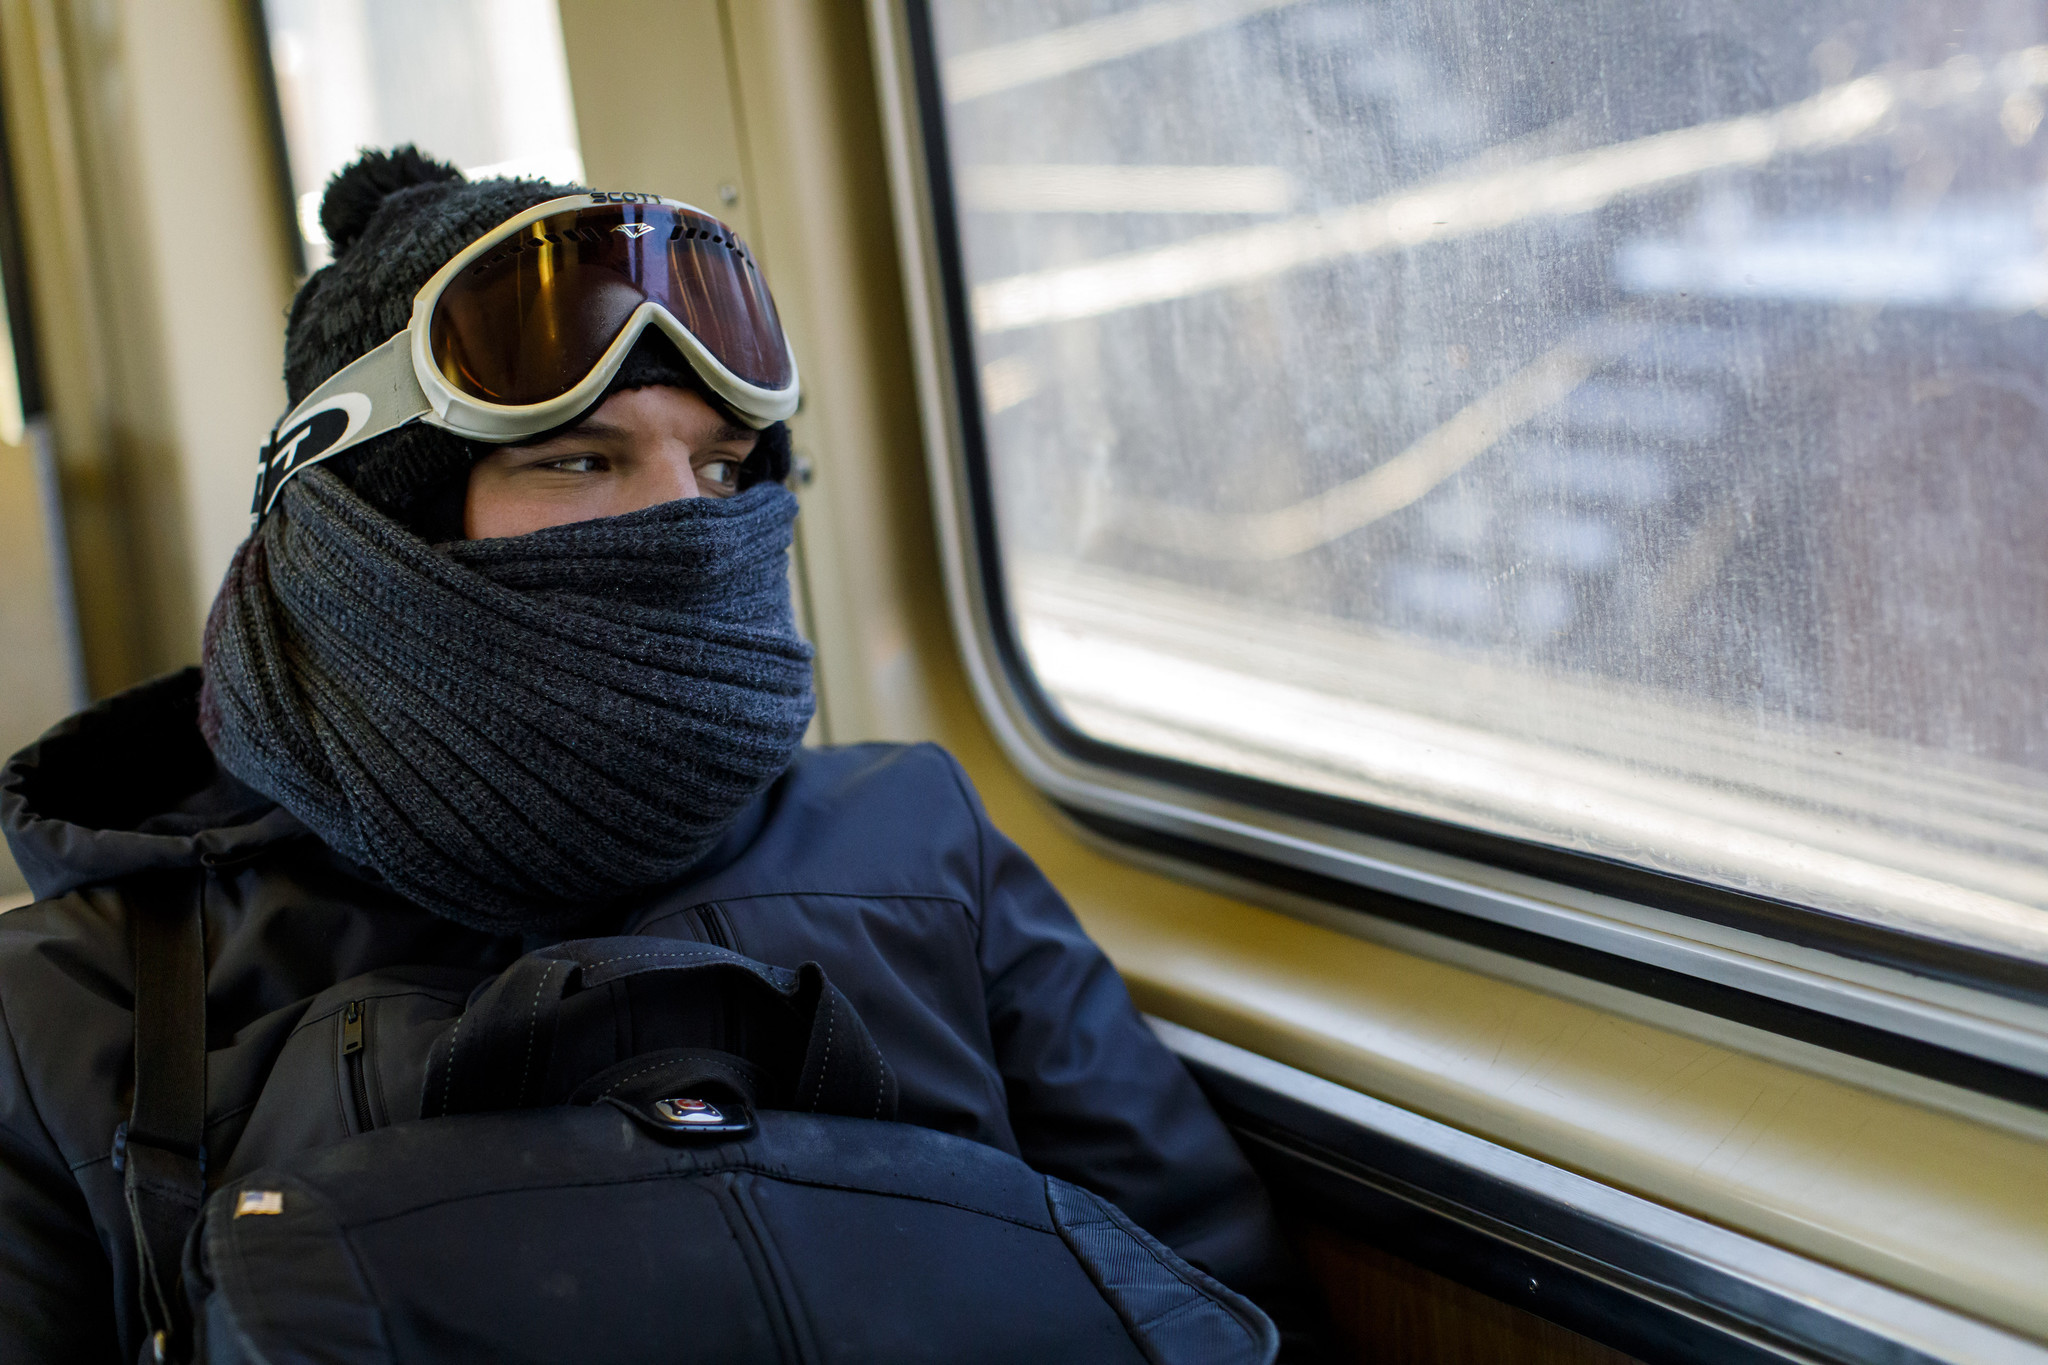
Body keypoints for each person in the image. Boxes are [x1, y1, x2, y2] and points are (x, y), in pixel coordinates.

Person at [0, 148, 1307, 1360]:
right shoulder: (86, 999)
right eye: (581, 459)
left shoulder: (926, 844)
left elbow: (1206, 1299)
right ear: (367, 520)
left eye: (726, 468)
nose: (686, 528)